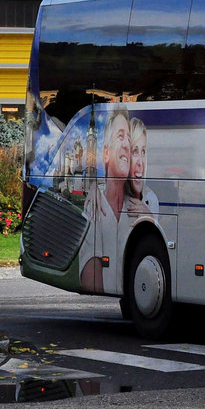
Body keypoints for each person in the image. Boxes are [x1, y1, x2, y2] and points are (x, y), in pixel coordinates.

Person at [80, 104, 132, 292]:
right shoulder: (94, 206)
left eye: (129, 138)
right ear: (106, 153)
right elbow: (91, 280)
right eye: (120, 137)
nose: (127, 144)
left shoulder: (140, 204)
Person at [122, 117, 158, 221]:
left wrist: (150, 219)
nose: (140, 162)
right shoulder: (109, 195)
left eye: (143, 151)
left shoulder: (151, 199)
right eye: (135, 151)